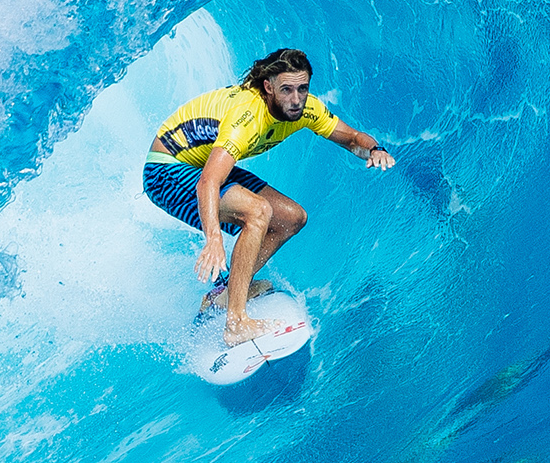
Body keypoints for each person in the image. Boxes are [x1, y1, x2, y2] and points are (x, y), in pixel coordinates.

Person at [143, 46, 395, 344]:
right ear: (268, 87)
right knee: (257, 211)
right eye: (287, 89)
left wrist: (374, 149)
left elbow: (352, 138)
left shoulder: (306, 109)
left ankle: (223, 296)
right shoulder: (248, 118)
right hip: (166, 172)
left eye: (303, 89)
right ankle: (235, 323)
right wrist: (213, 238)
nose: (296, 99)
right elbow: (208, 182)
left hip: (201, 164)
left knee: (290, 217)